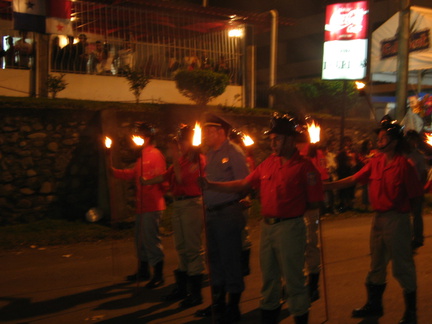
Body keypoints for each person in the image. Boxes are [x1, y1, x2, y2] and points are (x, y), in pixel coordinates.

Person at [200, 113, 324, 324]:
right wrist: (211, 185)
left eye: (277, 138)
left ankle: (300, 316)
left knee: (293, 281)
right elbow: (243, 183)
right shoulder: (268, 164)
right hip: (267, 227)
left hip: (290, 228)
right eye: (271, 138)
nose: (272, 143)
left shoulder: (304, 167)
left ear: (290, 139)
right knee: (269, 280)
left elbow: (314, 202)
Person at [324, 116, 424, 324]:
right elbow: (353, 179)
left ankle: (411, 312)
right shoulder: (375, 163)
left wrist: (418, 230)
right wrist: (326, 187)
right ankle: (374, 304)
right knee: (376, 265)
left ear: (394, 141)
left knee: (403, 267)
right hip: (378, 219)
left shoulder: (404, 166)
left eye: (383, 137)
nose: (379, 141)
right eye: (378, 137)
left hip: (397, 220)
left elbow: (416, 200)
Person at [141, 125, 206, 308]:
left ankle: (195, 293)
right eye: (178, 143)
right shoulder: (184, 159)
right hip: (179, 205)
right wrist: (147, 181)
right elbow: (167, 175)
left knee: (193, 248)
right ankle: (182, 287)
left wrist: (174, 156)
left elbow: (179, 178)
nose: (179, 146)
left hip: (192, 204)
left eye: (181, 142)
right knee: (181, 247)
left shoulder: (198, 161)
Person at [194, 114, 250, 323]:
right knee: (215, 260)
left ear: (220, 132)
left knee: (230, 259)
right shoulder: (210, 154)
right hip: (211, 213)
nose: (206, 135)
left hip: (227, 213)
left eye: (209, 131)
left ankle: (233, 307)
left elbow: (244, 182)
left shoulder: (233, 152)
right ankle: (218, 303)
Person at [109, 122, 167, 289]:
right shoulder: (142, 156)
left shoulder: (155, 155)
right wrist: (114, 172)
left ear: (147, 138)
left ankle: (158, 274)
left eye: (139, 136)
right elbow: (133, 174)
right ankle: (143, 270)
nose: (135, 139)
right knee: (140, 240)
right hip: (141, 205)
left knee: (150, 239)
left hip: (153, 205)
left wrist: (156, 191)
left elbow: (163, 179)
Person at [298, 140, 329, 303]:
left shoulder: (315, 153)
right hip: (292, 208)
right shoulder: (287, 154)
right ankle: (292, 283)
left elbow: (321, 176)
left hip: (309, 207)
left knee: (311, 243)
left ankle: (313, 286)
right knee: (292, 247)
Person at [336, 136, 360, 212]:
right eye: (346, 142)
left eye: (349, 142)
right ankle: (344, 205)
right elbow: (340, 163)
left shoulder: (353, 152)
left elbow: (355, 161)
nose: (348, 143)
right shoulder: (341, 153)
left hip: (351, 172)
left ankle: (350, 205)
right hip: (343, 173)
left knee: (350, 190)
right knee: (343, 190)